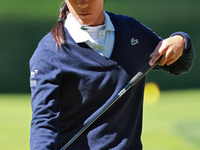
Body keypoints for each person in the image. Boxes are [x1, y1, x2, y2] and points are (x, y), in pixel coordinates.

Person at [29, 0, 195, 149]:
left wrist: (181, 40)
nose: (82, 3)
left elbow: (179, 65)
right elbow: (44, 122)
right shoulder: (48, 53)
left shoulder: (132, 31)